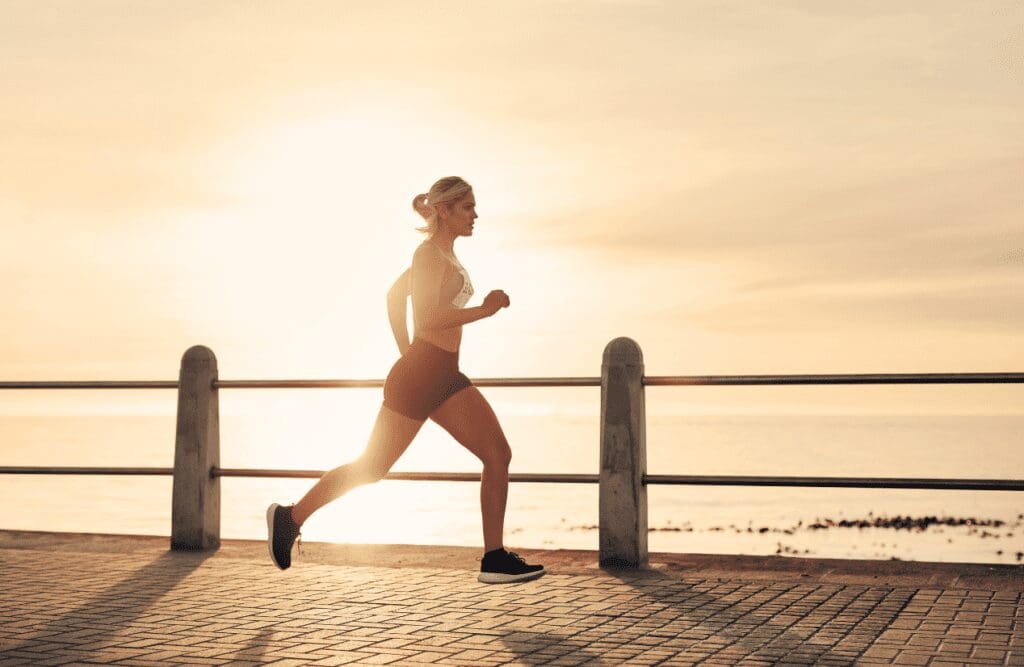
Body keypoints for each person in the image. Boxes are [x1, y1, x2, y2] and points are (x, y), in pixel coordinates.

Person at [267, 176, 545, 584]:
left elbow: (395, 297)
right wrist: (481, 312)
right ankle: (289, 518)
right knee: (371, 468)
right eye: (467, 207)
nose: (475, 214)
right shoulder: (428, 254)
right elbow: (428, 318)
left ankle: (493, 558)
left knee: (497, 454)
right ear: (445, 211)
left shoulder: (445, 257)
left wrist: (408, 352)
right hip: (421, 375)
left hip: (442, 373)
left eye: (474, 206)